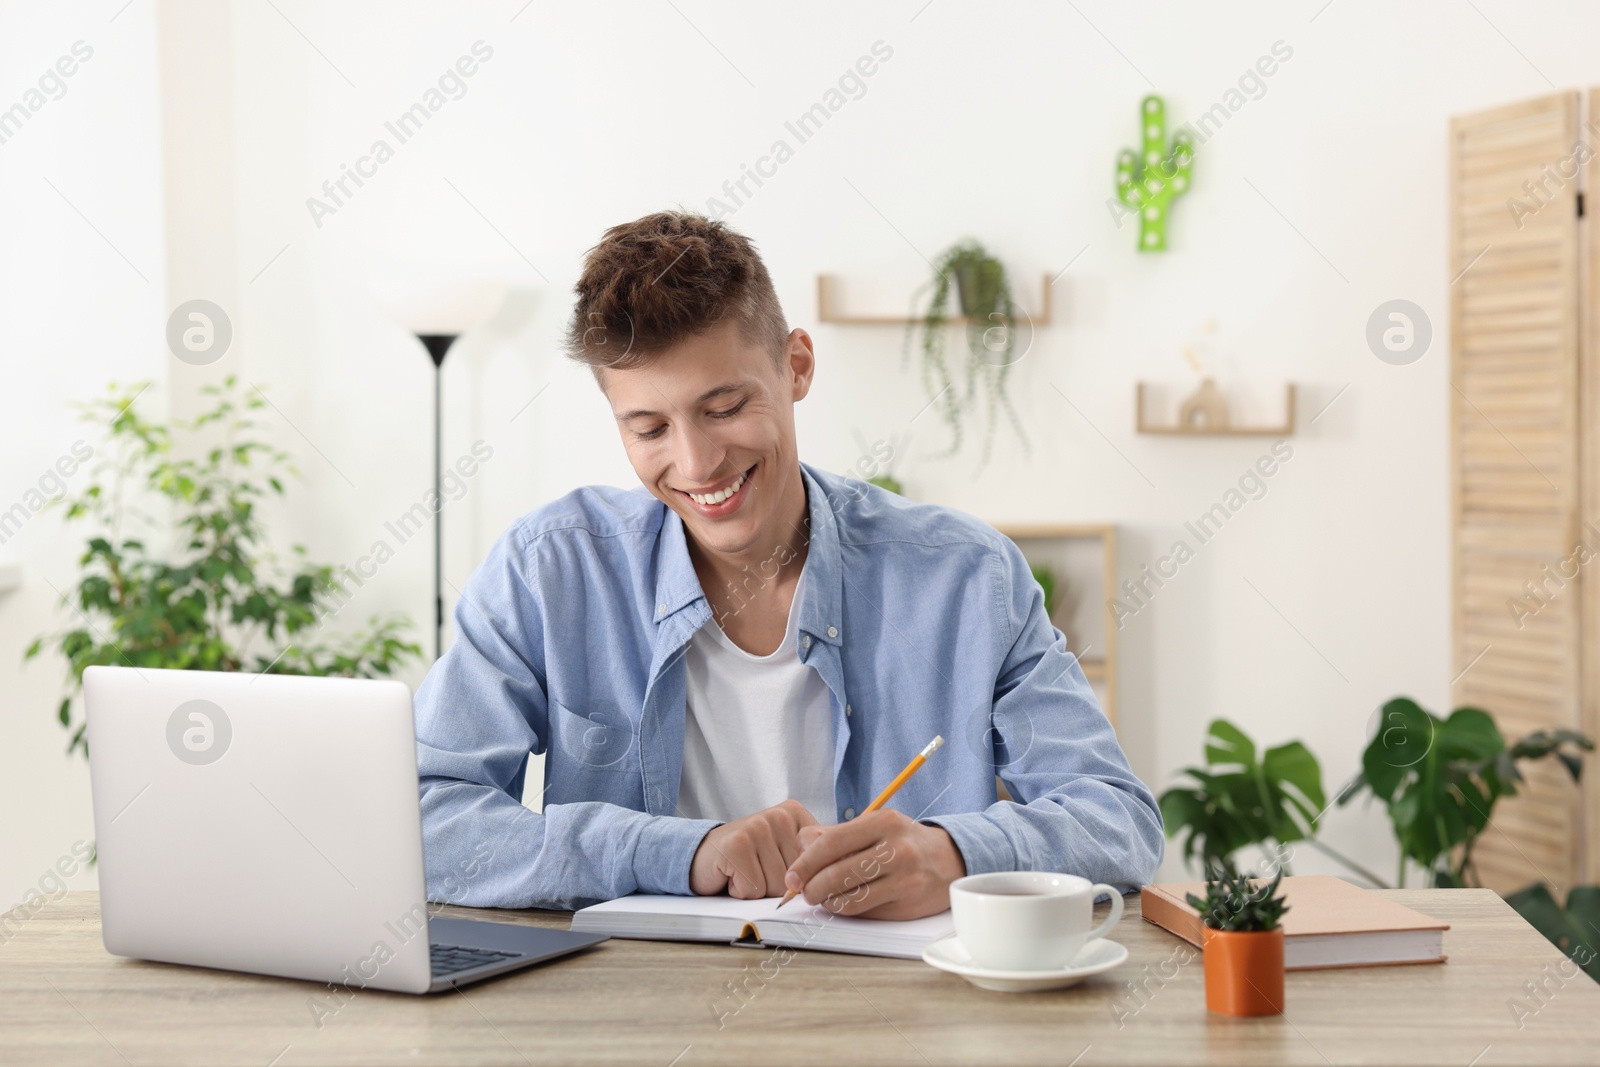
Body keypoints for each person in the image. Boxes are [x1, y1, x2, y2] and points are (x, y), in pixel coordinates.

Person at [413, 211, 1162, 920]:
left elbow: (1117, 819)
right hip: (632, 1018)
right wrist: (679, 850)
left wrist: (956, 853)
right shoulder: (550, 571)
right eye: (649, 427)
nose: (697, 463)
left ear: (796, 366)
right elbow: (422, 817)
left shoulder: (966, 578)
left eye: (724, 406)